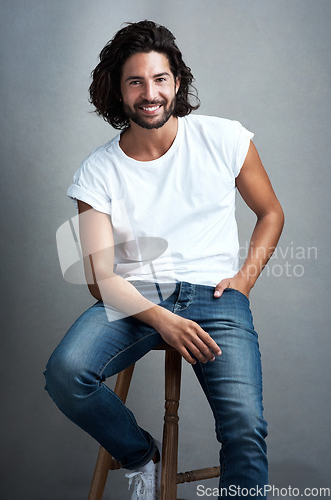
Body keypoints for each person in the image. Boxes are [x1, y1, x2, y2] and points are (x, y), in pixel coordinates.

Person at [44, 20, 284, 500]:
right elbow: (99, 279)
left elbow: (270, 213)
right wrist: (162, 319)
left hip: (217, 295)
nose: (149, 93)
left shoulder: (225, 139)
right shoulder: (97, 172)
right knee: (66, 374)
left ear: (177, 83)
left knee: (244, 424)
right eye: (135, 81)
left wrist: (244, 279)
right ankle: (140, 455)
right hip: (136, 296)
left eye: (159, 79)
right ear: (118, 90)